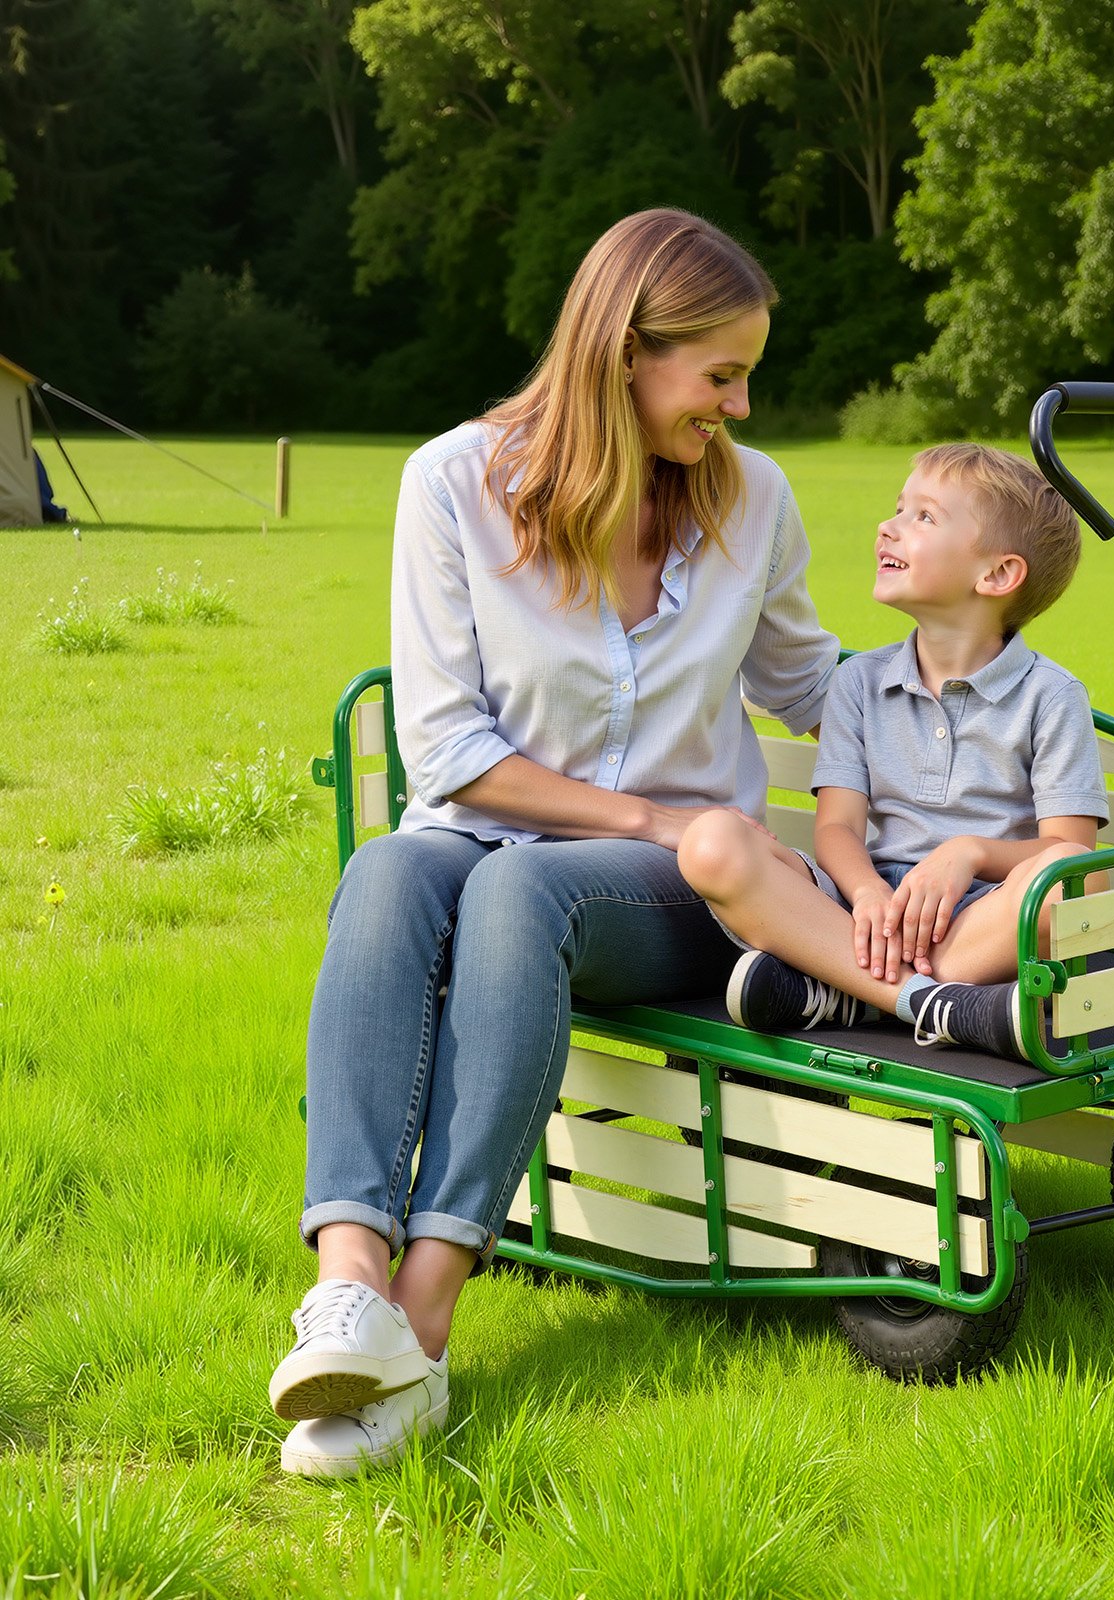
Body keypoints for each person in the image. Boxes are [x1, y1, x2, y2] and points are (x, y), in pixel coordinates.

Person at [270, 210, 838, 1479]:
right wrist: (644, 809)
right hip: (503, 841)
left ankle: (421, 1327)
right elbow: (447, 754)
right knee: (391, 865)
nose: (739, 406)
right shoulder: (452, 483)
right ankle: (347, 1286)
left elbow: (816, 688)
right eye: (719, 375)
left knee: (522, 889)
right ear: (624, 353)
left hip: (677, 892)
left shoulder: (754, 503)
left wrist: (981, 692)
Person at [678, 443, 1108, 1061]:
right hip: (862, 908)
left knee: (1075, 881)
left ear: (996, 576)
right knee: (712, 843)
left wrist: (968, 853)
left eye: (924, 517)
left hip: (977, 918)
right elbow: (837, 830)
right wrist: (867, 897)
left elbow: (1068, 849)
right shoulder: (859, 683)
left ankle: (853, 992)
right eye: (898, 508)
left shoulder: (1051, 696)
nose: (889, 525)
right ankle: (938, 1003)